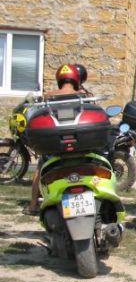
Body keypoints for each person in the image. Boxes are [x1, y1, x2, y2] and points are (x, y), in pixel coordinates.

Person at [24, 64, 91, 216]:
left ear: (59, 79)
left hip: (56, 144)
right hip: (79, 142)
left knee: (40, 167)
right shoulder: (83, 96)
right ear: (77, 79)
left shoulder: (49, 96)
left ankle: (33, 205)